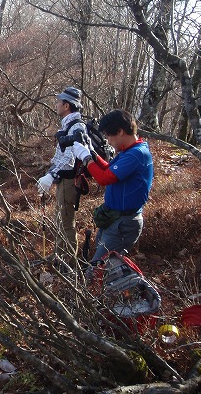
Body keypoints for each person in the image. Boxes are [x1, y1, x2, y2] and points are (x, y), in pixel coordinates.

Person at [71, 109, 153, 264]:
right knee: (105, 267)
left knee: (98, 270)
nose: (108, 140)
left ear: (120, 131)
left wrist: (86, 158)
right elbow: (108, 169)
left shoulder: (136, 154)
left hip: (123, 223)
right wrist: (92, 153)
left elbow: (105, 178)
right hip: (115, 219)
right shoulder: (129, 151)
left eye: (109, 135)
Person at [37, 86, 86, 265]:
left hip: (69, 181)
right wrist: (50, 174)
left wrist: (51, 177)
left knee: (66, 222)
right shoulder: (68, 125)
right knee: (60, 219)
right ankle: (59, 256)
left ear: (66, 106)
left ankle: (68, 264)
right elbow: (59, 157)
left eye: (58, 102)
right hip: (64, 181)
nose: (56, 105)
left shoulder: (76, 127)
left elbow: (69, 160)